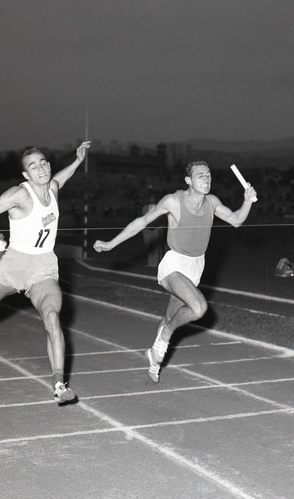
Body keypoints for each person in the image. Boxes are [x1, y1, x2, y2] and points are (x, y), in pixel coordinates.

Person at [94, 160, 256, 383]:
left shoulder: (212, 202)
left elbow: (236, 221)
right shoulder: (173, 200)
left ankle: (154, 357)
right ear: (188, 180)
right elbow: (142, 221)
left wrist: (247, 202)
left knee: (171, 316)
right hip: (174, 264)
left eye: (208, 175)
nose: (206, 179)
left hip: (196, 266)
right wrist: (112, 243)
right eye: (200, 175)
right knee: (198, 307)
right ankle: (166, 335)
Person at [0, 141, 91, 404]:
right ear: (26, 174)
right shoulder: (19, 195)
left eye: (43, 163)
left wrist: (78, 161)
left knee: (52, 316)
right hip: (15, 264)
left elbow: (62, 178)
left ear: (49, 166)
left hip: (43, 266)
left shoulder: (53, 187)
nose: (41, 169)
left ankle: (58, 384)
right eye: (33, 166)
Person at [141, 192, 165, 267]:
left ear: (155, 199)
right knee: (148, 246)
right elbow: (142, 219)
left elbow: (162, 218)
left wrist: (161, 226)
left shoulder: (159, 207)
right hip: (146, 230)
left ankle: (155, 263)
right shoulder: (144, 207)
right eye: (150, 198)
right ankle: (150, 263)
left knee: (156, 247)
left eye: (153, 198)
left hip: (156, 229)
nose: (152, 199)